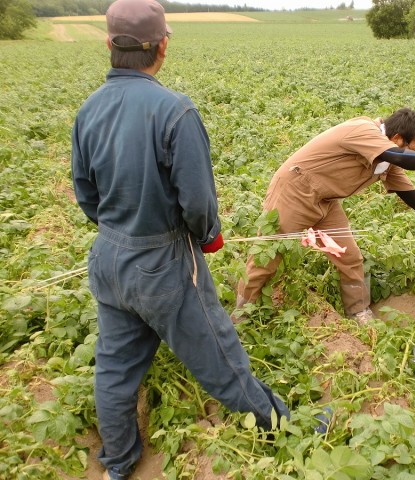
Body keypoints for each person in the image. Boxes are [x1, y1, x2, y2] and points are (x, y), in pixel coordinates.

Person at [71, 1, 289, 478]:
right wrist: (208, 235)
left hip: (108, 257)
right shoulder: (175, 110)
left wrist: (116, 230)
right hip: (161, 260)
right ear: (163, 46)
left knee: (114, 367)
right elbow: (197, 202)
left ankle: (119, 461)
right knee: (219, 354)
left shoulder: (88, 110)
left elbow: (84, 193)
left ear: (108, 44)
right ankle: (284, 428)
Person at [236, 108, 415, 324]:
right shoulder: (364, 130)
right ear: (398, 138)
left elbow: (411, 196)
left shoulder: (388, 162)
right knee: (268, 255)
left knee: (350, 256)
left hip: (326, 200)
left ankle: (358, 311)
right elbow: (398, 156)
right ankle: (241, 314)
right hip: (296, 190)